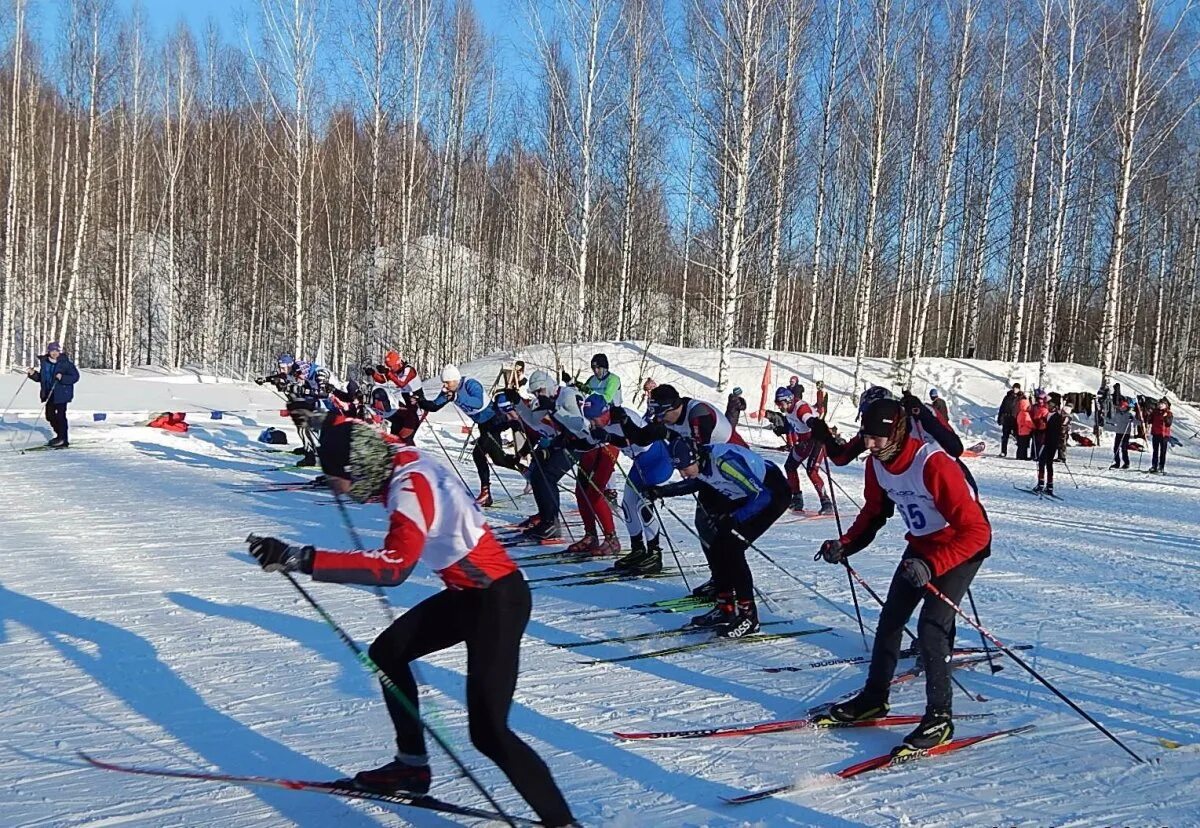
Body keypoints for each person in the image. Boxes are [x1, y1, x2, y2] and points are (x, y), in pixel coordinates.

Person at [245, 420, 576, 827]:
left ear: (358, 468)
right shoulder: (393, 456)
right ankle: (411, 768)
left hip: (497, 600)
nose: (339, 491)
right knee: (388, 653)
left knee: (488, 732)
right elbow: (356, 431)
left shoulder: (409, 486)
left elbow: (394, 568)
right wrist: (320, 425)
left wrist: (303, 558)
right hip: (469, 594)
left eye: (339, 481)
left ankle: (561, 822)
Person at [815, 398, 991, 751]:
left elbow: (978, 532)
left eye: (878, 437)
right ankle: (874, 699)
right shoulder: (876, 465)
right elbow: (874, 513)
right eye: (866, 436)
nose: (870, 444)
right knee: (891, 619)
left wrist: (933, 565)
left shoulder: (933, 463)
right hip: (923, 547)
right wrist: (846, 544)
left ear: (897, 431)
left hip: (961, 547)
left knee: (931, 629)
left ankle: (939, 718)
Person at [644, 438, 790, 638]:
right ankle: (725, 608)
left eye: (685, 468)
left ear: (695, 457)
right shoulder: (701, 461)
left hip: (773, 493)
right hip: (747, 496)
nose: (683, 473)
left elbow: (761, 495)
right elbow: (697, 481)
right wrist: (663, 491)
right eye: (679, 469)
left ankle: (749, 616)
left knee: (732, 548)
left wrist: (735, 518)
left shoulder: (724, 462)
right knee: (717, 546)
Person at [421, 365, 520, 507]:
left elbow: (478, 403)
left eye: (447, 382)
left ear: (454, 380)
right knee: (499, 459)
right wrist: (419, 401)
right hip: (483, 425)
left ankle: (486, 493)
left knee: (478, 454)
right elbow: (435, 406)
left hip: (494, 421)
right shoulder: (449, 391)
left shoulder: (470, 384)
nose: (445, 386)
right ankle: (527, 471)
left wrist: (456, 397)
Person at [560, 393, 623, 558]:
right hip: (590, 450)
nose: (593, 422)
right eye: (590, 419)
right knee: (580, 491)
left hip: (608, 448)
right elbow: (583, 437)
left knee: (595, 493)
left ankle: (611, 538)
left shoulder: (616, 416)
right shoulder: (587, 419)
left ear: (604, 412)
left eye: (595, 419)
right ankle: (590, 535)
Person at [772, 386, 833, 514]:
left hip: (817, 439)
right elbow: (793, 423)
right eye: (777, 404)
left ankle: (826, 502)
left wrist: (816, 425)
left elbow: (808, 419)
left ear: (788, 400)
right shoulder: (789, 409)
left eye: (780, 404)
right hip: (804, 441)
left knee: (812, 471)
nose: (779, 407)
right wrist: (782, 429)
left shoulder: (800, 408)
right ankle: (797, 499)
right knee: (790, 466)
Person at [644, 383, 748, 447]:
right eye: (655, 415)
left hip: (732, 449)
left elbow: (698, 455)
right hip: (713, 459)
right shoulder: (666, 417)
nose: (659, 419)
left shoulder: (699, 415)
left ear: (674, 407)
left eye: (661, 415)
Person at [27, 341, 79, 448]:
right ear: (49, 351)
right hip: (49, 393)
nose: (54, 353)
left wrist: (62, 377)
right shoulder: (45, 362)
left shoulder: (65, 363)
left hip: (61, 393)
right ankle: (59, 435)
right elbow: (41, 379)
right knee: (49, 416)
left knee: (61, 416)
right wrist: (33, 374)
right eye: (52, 351)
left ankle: (63, 439)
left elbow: (75, 377)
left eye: (56, 350)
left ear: (59, 351)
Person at [1034, 396, 1070, 495]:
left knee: (1043, 462)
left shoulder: (1057, 416)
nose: (1049, 406)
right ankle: (1047, 485)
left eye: (1051, 405)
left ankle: (1044, 485)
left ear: (1055, 406)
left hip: (1050, 442)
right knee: (1046, 463)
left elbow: (1054, 430)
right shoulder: (1049, 415)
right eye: (1048, 404)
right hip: (1050, 442)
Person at [1109, 396, 1135, 470]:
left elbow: (1137, 422)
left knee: (1124, 448)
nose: (1121, 408)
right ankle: (1117, 463)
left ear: (1126, 407)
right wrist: (1104, 420)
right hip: (1118, 432)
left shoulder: (1129, 414)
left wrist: (1132, 419)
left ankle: (1126, 463)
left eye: (1123, 407)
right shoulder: (1118, 414)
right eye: (1120, 407)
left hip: (1126, 433)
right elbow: (1112, 420)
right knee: (1116, 448)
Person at [1149, 397, 1173, 474]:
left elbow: (1168, 423)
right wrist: (1148, 416)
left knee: (1162, 452)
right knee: (1155, 451)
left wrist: (1165, 417)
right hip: (1156, 433)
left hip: (1164, 435)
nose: (1160, 405)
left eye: (1162, 404)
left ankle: (1161, 467)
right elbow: (1150, 421)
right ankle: (1154, 466)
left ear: (1166, 405)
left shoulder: (1169, 413)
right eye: (1159, 404)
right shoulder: (1155, 412)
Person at [997, 383, 1020, 457]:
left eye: (1016, 388)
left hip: (1015, 419)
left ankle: (1020, 453)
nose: (1015, 389)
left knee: (1018, 437)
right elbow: (1002, 407)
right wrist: (1000, 417)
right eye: (1014, 388)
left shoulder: (1021, 397)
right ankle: (1003, 451)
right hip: (1006, 418)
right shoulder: (1007, 396)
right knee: (1005, 436)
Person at [1030, 388, 1050, 461]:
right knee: (1034, 441)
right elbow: (1031, 414)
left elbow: (1047, 416)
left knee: (1041, 442)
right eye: (1038, 398)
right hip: (1035, 425)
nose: (1039, 400)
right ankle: (1033, 455)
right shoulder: (1035, 406)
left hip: (1043, 426)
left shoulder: (1046, 407)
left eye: (1041, 399)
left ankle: (1039, 455)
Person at [1014, 391, 1033, 461]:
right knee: (1024, 445)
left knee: (1020, 444)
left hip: (1020, 431)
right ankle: (1023, 456)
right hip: (1026, 431)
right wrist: (1033, 427)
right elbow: (1029, 422)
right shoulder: (1026, 414)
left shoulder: (1020, 413)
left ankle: (1019, 455)